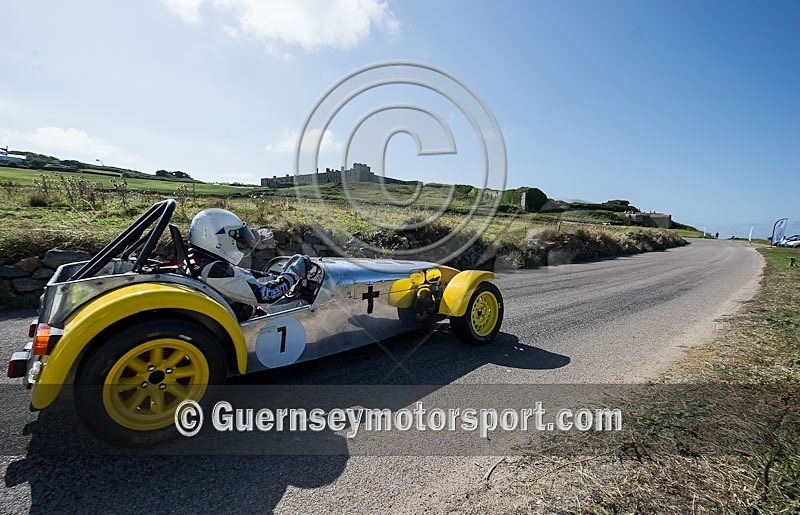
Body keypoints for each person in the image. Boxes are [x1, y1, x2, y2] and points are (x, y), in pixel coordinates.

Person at [186, 208, 311, 317]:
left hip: (237, 311)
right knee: (304, 305)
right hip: (251, 319)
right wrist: (293, 274)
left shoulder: (197, 262)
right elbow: (267, 295)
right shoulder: (216, 270)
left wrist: (274, 277)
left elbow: (239, 276)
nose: (238, 242)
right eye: (235, 238)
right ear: (219, 238)